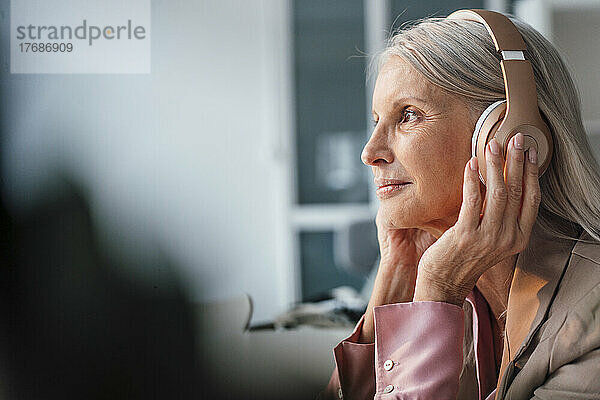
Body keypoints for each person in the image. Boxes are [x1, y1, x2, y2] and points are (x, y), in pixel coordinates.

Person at [318, 10, 600, 400]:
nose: (370, 152)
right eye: (377, 121)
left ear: (503, 136)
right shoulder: (463, 298)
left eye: (408, 116)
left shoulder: (592, 315)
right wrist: (396, 277)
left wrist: (439, 289)